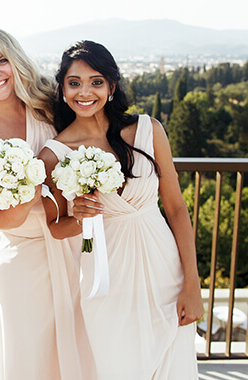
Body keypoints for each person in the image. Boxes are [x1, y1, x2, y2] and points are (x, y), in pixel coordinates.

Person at [39, 40, 204, 379]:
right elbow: (56, 226)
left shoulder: (148, 130)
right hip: (105, 277)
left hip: (165, 271)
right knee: (119, 367)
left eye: (96, 81)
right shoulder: (53, 154)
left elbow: (176, 209)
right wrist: (78, 218)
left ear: (111, 86)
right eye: (74, 83)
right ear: (63, 88)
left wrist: (192, 283)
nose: (85, 92)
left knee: (173, 366)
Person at [0, 27, 96, 380]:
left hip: (70, 235)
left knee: (79, 334)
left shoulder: (50, 102)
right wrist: (29, 193)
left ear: (14, 58)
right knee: (29, 343)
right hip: (19, 247)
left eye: (1, 60)